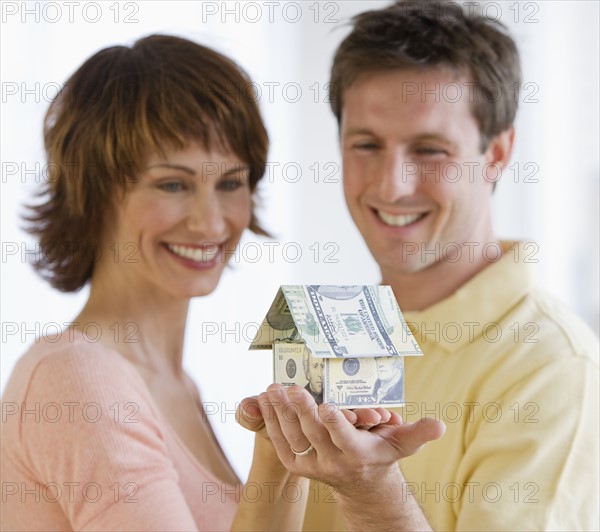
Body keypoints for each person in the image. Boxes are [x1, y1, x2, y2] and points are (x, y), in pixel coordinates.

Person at [0, 34, 444, 531]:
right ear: (95, 191)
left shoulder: (173, 384)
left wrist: (285, 454)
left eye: (230, 183)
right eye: (173, 184)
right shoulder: (79, 380)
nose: (211, 223)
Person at [298, 1, 599, 531]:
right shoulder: (334, 334)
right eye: (366, 144)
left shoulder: (555, 369)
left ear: (497, 153)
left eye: (430, 150)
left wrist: (373, 496)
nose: (392, 185)